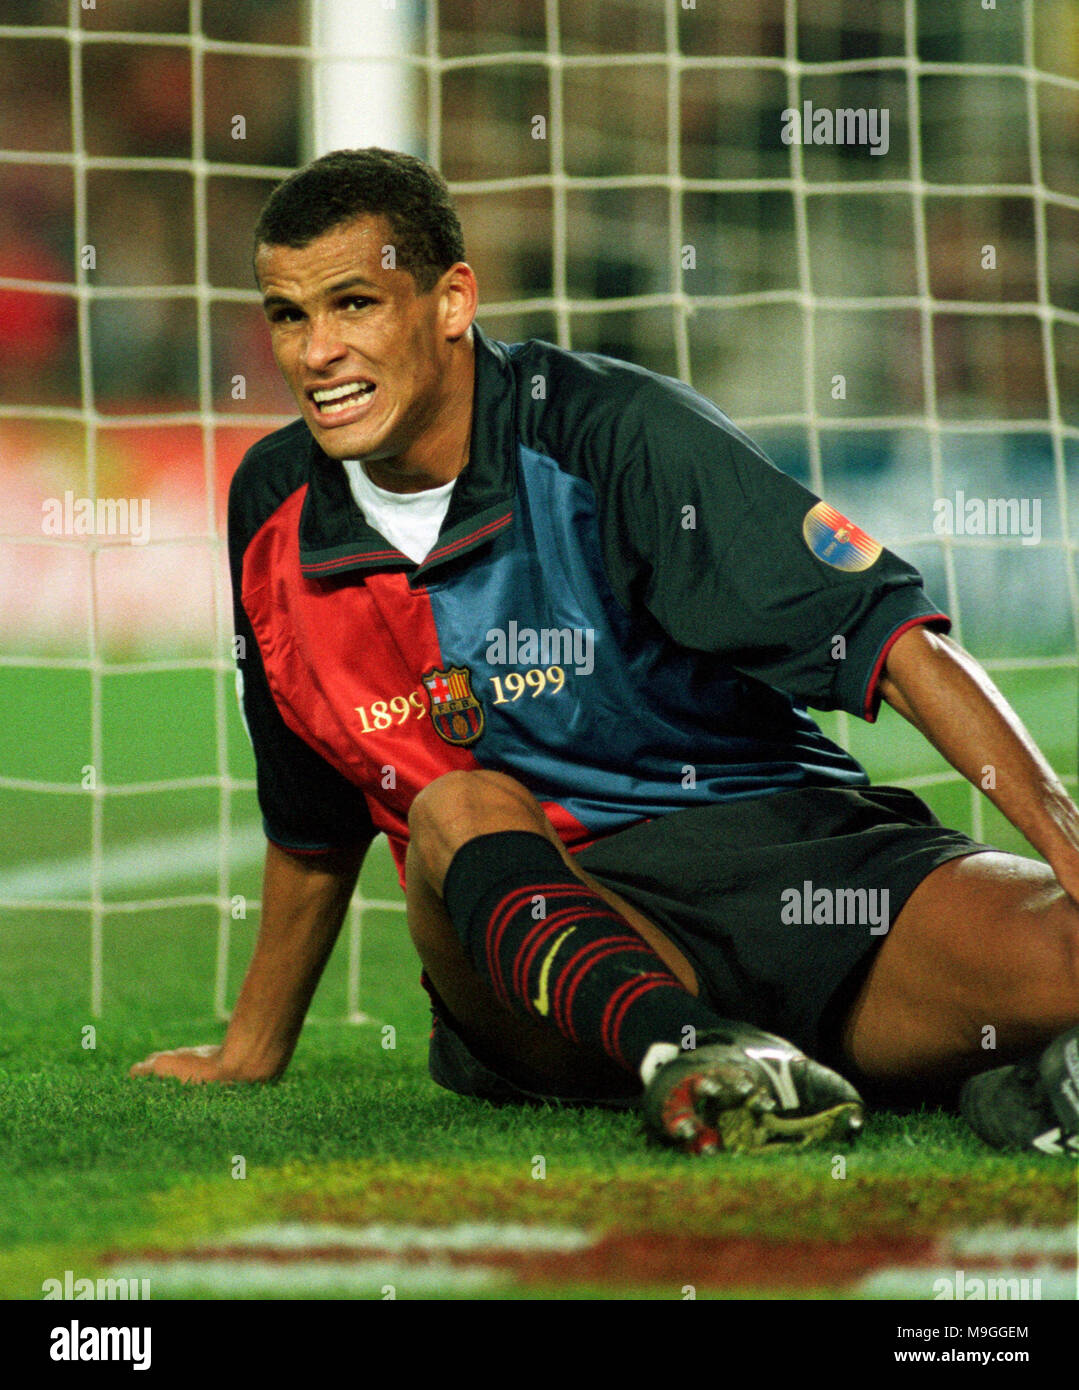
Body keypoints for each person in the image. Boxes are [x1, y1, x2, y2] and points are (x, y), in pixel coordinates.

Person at [132, 148, 1079, 1157]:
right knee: (454, 802)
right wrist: (251, 1049)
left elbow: (887, 635)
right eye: (288, 314)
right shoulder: (271, 510)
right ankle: (695, 1054)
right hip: (547, 942)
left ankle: (1011, 1080)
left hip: (801, 863)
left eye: (353, 304)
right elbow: (311, 819)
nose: (316, 351)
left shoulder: (612, 435)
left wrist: (1063, 836)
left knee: (1057, 950)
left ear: (451, 301)